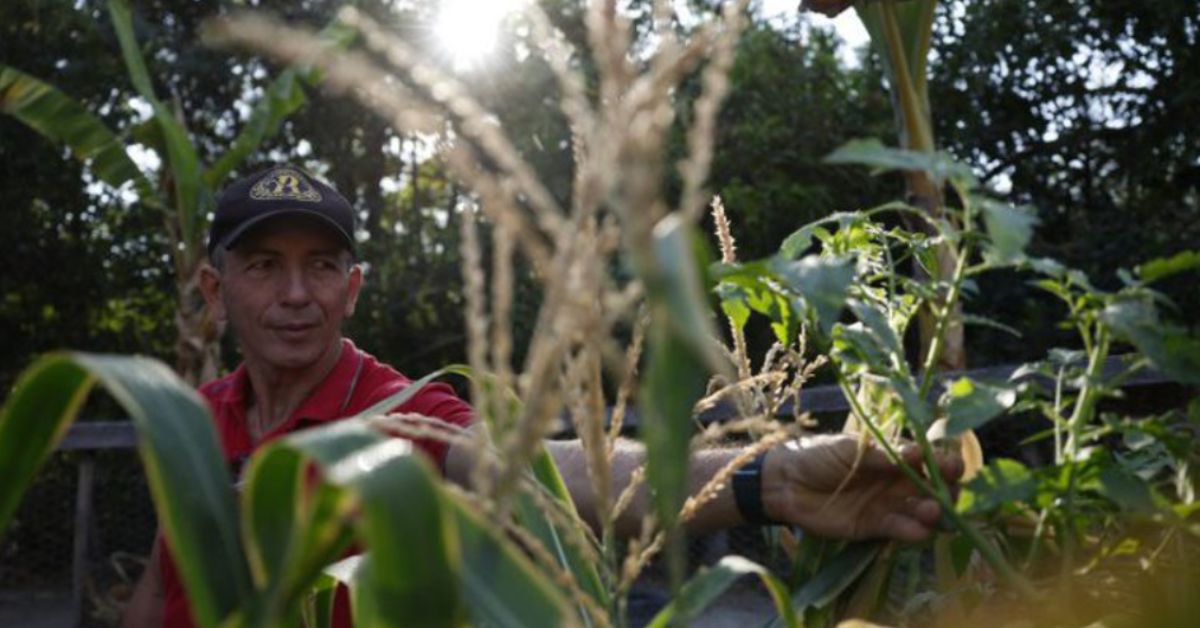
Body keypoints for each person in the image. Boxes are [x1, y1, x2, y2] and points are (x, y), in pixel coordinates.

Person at [122, 165, 961, 627]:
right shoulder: (192, 420)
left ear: (354, 288)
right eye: (265, 266)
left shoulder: (393, 414)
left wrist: (767, 480)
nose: (296, 294)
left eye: (321, 266)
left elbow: (550, 473)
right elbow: (163, 589)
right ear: (213, 287)